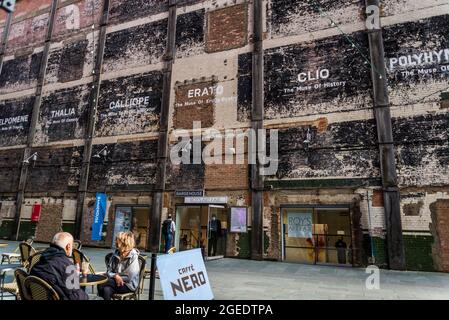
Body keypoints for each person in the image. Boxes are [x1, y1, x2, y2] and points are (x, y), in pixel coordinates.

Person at [30, 232, 89, 300]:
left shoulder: (39, 262)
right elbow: (77, 297)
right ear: (68, 246)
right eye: (72, 246)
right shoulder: (68, 266)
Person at [97, 231, 140, 300]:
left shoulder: (133, 256)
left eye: (118, 240)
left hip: (128, 285)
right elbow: (109, 271)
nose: (116, 242)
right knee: (106, 290)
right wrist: (115, 276)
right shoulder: (116, 254)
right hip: (114, 282)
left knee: (101, 282)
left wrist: (115, 276)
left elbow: (129, 277)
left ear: (125, 242)